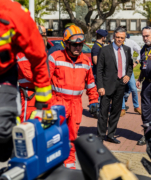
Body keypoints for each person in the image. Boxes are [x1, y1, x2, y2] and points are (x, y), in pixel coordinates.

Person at [0, 0, 52, 162]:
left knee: (3, 130)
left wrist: (43, 106)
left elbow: (38, 60)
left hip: (3, 74)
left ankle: (9, 137)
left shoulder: (15, 13)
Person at [48, 25, 99, 169]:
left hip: (76, 105)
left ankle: (69, 166)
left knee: (71, 137)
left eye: (80, 45)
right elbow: (44, 81)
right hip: (57, 103)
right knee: (55, 137)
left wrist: (94, 100)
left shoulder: (86, 61)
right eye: (75, 45)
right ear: (66, 44)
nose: (78, 47)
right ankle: (54, 166)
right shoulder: (55, 58)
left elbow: (90, 84)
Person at [97, 27, 133, 144]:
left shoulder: (127, 50)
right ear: (113, 37)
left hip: (120, 85)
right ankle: (101, 136)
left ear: (124, 39)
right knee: (103, 112)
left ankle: (111, 134)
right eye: (117, 37)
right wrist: (100, 86)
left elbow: (130, 66)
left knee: (116, 111)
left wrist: (128, 75)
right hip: (106, 85)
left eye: (121, 38)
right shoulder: (105, 50)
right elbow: (99, 69)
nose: (119, 40)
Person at [17, 26, 49, 122]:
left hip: (40, 95)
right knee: (28, 126)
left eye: (44, 38)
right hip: (29, 96)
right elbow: (31, 74)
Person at [120, 33, 142, 117]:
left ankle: (136, 107)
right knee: (120, 89)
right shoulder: (114, 42)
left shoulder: (131, 42)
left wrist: (136, 62)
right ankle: (122, 108)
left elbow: (141, 51)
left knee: (133, 88)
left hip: (129, 69)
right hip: (119, 70)